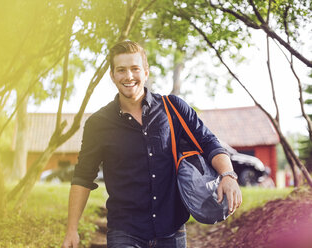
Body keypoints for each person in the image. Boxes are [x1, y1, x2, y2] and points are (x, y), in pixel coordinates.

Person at [61, 41, 242, 248]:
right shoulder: (98, 124)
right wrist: (71, 230)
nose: (128, 76)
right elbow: (83, 177)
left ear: (145, 72)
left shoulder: (174, 109)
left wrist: (228, 175)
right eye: (121, 70)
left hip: (172, 231)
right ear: (112, 76)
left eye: (135, 69)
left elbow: (209, 142)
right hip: (125, 231)